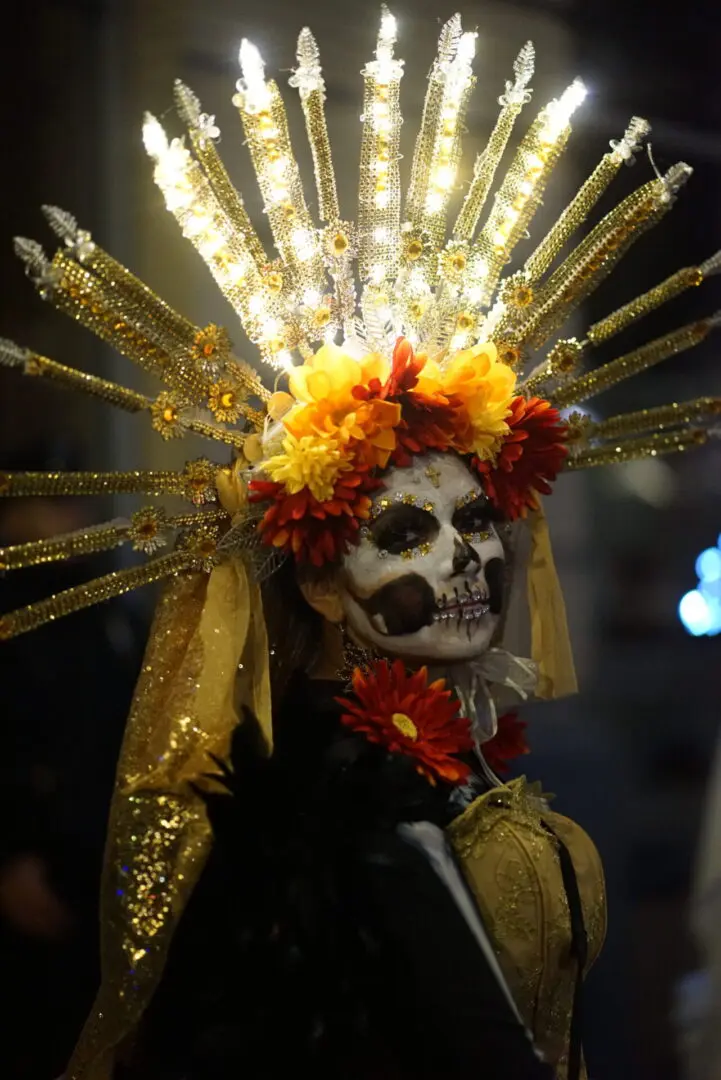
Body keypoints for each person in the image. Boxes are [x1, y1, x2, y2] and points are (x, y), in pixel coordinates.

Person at [0, 9, 718, 1080]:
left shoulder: (449, 763)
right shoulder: (327, 814)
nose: (465, 558)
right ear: (323, 587)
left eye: (476, 519)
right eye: (405, 531)